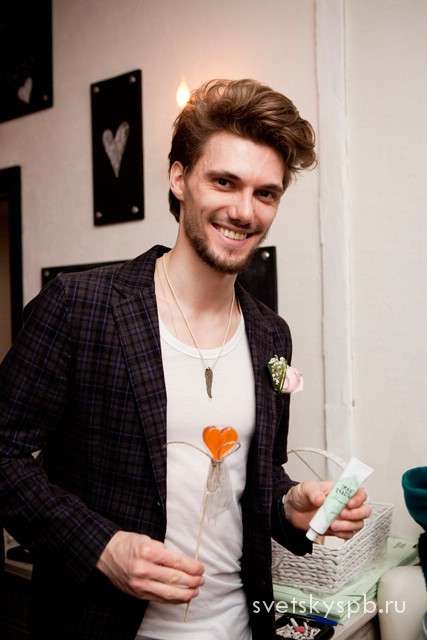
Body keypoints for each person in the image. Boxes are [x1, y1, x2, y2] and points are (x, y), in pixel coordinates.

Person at [0, 78, 371, 640]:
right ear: (178, 177)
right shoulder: (80, 307)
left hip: (240, 626)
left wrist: (290, 505)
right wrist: (101, 547)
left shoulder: (271, 334)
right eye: (224, 181)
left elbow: (254, 478)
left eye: (266, 193)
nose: (244, 211)